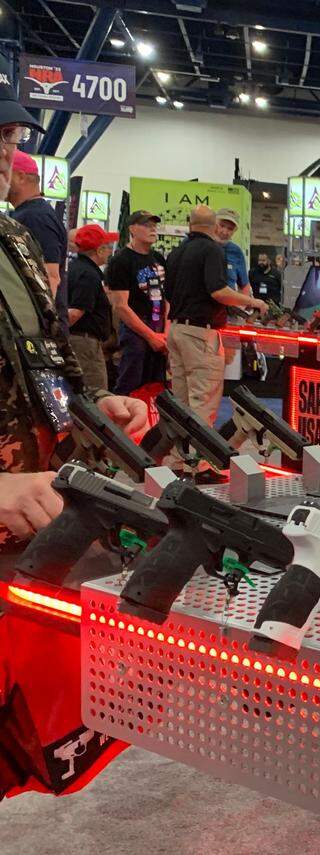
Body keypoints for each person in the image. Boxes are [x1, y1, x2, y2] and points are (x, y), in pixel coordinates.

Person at [0, 81, 148, 800]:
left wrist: (91, 408)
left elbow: (46, 355)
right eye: (0, 135)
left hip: (23, 537)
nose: (12, 149)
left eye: (12, 135)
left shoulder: (15, 237)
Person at [164, 205, 266, 428]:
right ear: (213, 226)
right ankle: (200, 460)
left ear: (190, 225)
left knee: (181, 400)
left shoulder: (175, 252)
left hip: (178, 329)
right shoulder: (212, 250)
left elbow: (168, 294)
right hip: (201, 333)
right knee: (203, 400)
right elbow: (218, 291)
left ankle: (179, 457)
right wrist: (253, 302)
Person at [106, 211, 167, 396]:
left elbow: (167, 297)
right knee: (130, 382)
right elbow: (121, 306)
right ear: (132, 229)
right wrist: (150, 336)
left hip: (160, 325)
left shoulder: (158, 258)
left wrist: (166, 331)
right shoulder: (121, 260)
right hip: (136, 328)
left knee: (157, 385)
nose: (153, 229)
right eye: (147, 225)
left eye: (154, 225)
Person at [7, 150, 68, 330]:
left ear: (19, 177)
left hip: (36, 331)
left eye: (3, 173)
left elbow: (50, 276)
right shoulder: (29, 213)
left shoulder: (36, 217)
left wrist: (37, 327)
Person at [66, 224, 118, 391]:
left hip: (79, 340)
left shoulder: (75, 268)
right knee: (95, 392)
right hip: (84, 343)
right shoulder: (88, 274)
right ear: (99, 250)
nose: (110, 251)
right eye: (108, 247)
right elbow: (75, 312)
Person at [215, 208, 250, 295]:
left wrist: (243, 304)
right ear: (214, 224)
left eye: (230, 229)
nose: (224, 232)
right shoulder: (199, 244)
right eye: (222, 225)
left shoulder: (236, 251)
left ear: (234, 231)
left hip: (227, 306)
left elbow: (244, 285)